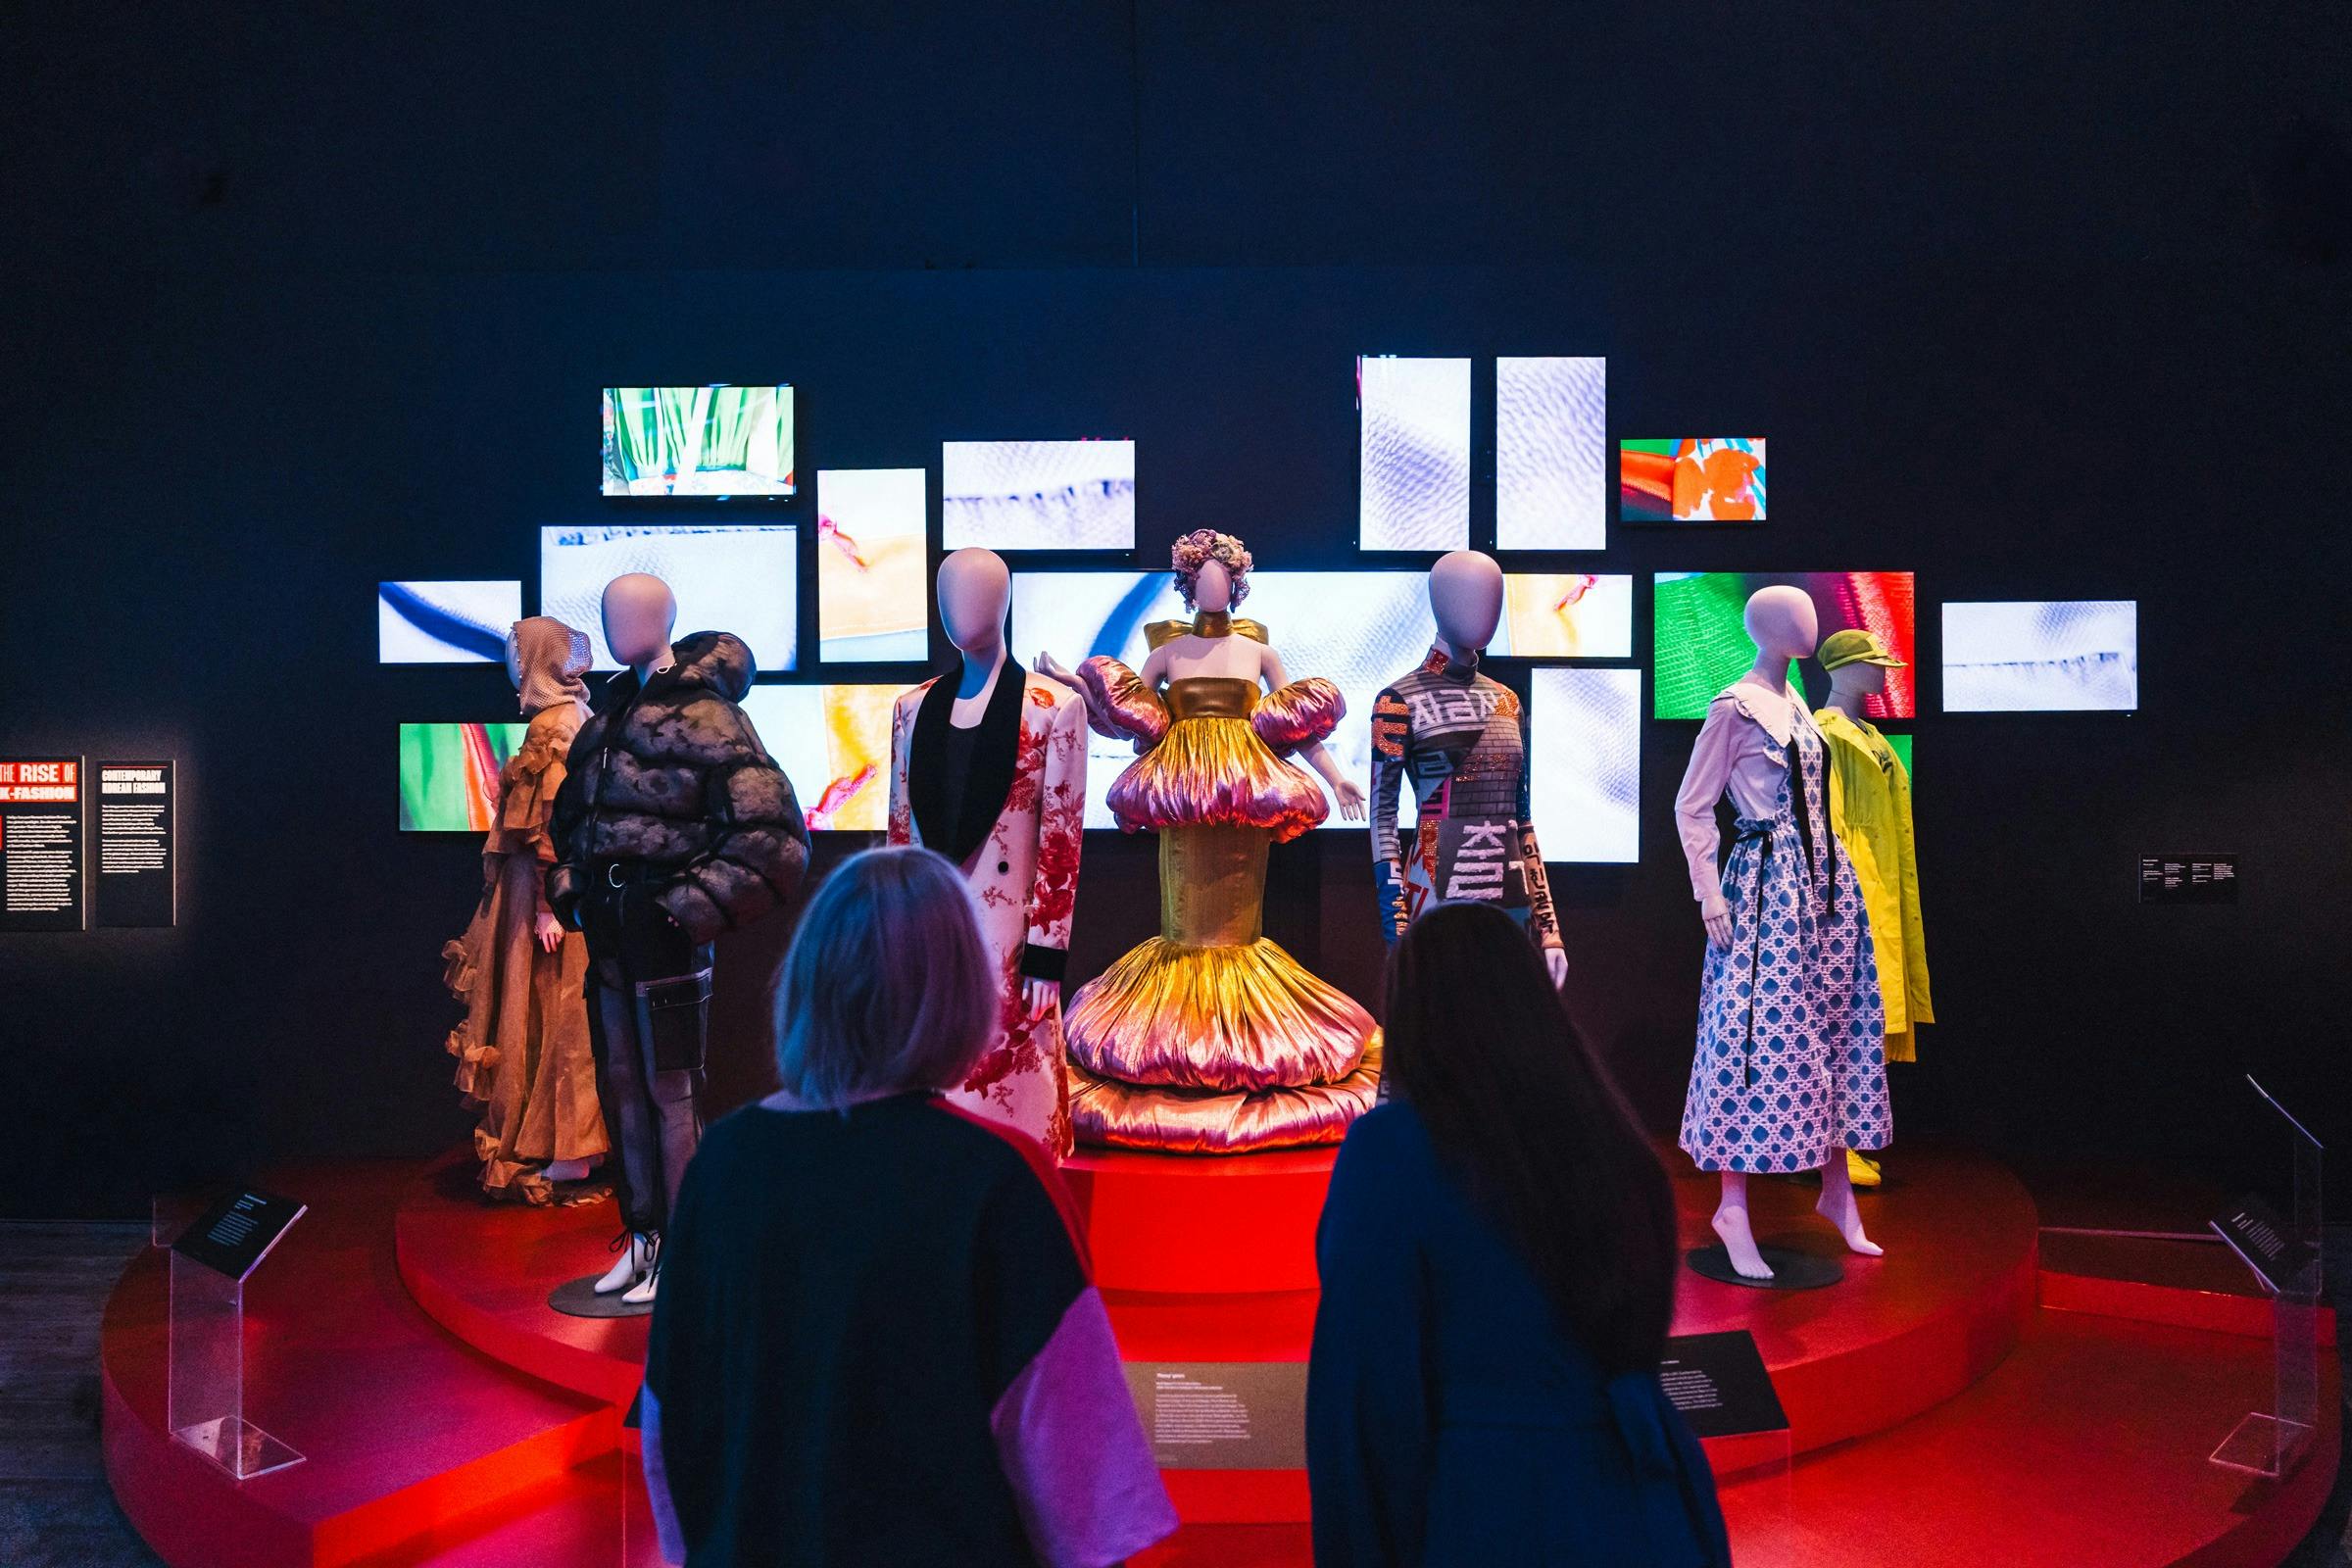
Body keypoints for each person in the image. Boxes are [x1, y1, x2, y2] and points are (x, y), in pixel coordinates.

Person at [639, 846, 1178, 1568]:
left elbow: (669, 1418)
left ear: (807, 983)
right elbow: (1085, 1489)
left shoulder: (721, 1164)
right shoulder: (997, 1179)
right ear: (959, 991)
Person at [1306, 902, 1730, 1567]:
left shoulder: (1391, 1152)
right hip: (1649, 1504)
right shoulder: (1619, 1146)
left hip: (1493, 1511)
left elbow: (1365, 1403)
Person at [442, 616, 607, 1202]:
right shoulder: (577, 714)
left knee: (553, 1016)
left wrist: (545, 905)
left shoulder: (552, 724)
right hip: (562, 894)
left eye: (517, 652)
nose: (511, 663)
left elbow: (548, 824)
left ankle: (569, 1150)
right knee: (559, 1016)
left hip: (547, 899)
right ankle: (573, 1145)